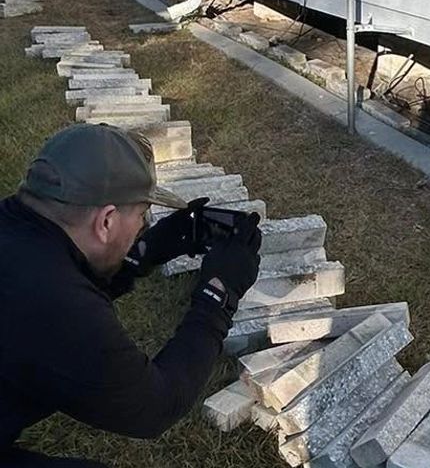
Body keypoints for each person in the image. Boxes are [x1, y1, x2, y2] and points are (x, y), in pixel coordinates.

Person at [0, 124, 261, 467]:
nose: (144, 223)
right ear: (106, 221)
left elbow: (64, 285)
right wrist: (217, 298)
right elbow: (155, 406)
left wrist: (145, 251)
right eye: (142, 215)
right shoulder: (55, 304)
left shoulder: (19, 238)